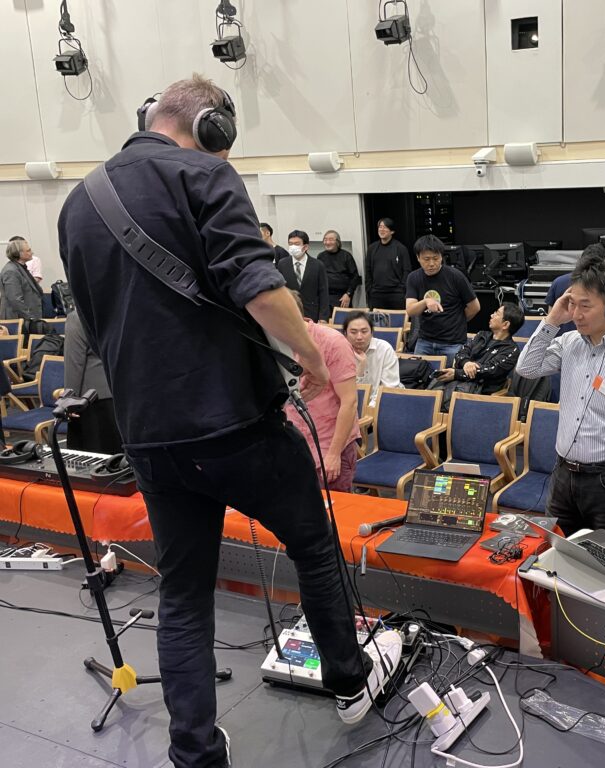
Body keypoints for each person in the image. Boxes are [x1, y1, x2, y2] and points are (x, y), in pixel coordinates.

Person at [57, 75, 400, 767]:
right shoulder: (205, 174)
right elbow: (261, 288)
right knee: (313, 545)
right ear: (210, 127)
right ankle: (347, 681)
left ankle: (196, 752)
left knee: (183, 593)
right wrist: (309, 357)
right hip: (232, 426)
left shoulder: (73, 206)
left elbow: (93, 328)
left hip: (149, 435)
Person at [517, 246, 605, 535]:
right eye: (573, 304)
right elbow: (527, 369)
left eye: (586, 306)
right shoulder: (568, 342)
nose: (577, 314)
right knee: (554, 558)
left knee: (604, 566)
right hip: (563, 477)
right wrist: (552, 321)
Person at [283, 291, 360, 492]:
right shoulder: (273, 343)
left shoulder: (332, 342)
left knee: (335, 517)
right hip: (292, 448)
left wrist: (334, 454)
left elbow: (349, 402)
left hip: (329, 445)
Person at [406, 234, 480, 361]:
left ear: (441, 256)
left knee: (450, 379)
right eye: (426, 259)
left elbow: (474, 307)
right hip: (424, 341)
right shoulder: (414, 278)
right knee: (416, 376)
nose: (431, 263)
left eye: (436, 258)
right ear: (418, 258)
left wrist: (457, 321)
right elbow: (411, 310)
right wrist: (425, 301)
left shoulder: (455, 276)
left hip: (453, 343)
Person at [433, 302, 524, 400]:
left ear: (505, 324)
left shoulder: (512, 350)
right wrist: (466, 363)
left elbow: (488, 370)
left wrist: (456, 374)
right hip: (460, 384)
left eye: (497, 313)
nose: (491, 315)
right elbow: (461, 353)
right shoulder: (481, 335)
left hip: (483, 394)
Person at [63, 308, 123, 453]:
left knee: (93, 461)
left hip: (91, 401)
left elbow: (74, 363)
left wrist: (69, 400)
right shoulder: (120, 312)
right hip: (122, 394)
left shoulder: (77, 317)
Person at [343, 310, 403, 407]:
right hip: (352, 406)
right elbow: (346, 393)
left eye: (364, 331)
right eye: (353, 332)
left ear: (372, 332)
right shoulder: (340, 352)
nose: (359, 337)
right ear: (345, 334)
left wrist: (369, 410)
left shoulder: (385, 349)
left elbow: (389, 389)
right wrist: (360, 370)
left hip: (383, 405)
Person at [277, 229, 330, 322]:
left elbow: (323, 292)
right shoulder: (282, 264)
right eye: (290, 243)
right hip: (290, 313)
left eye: (297, 244)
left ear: (305, 247)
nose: (293, 247)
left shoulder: (317, 265)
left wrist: (323, 317)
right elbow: (280, 290)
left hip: (312, 314)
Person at [364, 217, 411, 309]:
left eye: (385, 227)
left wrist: (402, 288)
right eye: (380, 227)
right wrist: (370, 289)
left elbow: (407, 270)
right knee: (377, 322)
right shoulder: (372, 248)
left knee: (397, 322)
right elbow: (368, 269)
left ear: (392, 231)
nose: (382, 229)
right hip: (376, 294)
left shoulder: (401, 248)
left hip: (396, 294)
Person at [1, 239, 44, 334]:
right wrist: (30, 317)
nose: (31, 252)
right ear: (19, 254)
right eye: (28, 250)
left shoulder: (20, 267)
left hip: (25, 319)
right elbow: (15, 299)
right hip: (19, 320)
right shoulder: (11, 271)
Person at [317, 229, 361, 308]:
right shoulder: (320, 256)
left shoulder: (346, 256)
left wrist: (348, 294)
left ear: (338, 242)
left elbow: (355, 278)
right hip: (325, 296)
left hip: (343, 297)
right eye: (325, 240)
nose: (327, 242)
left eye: (331, 240)